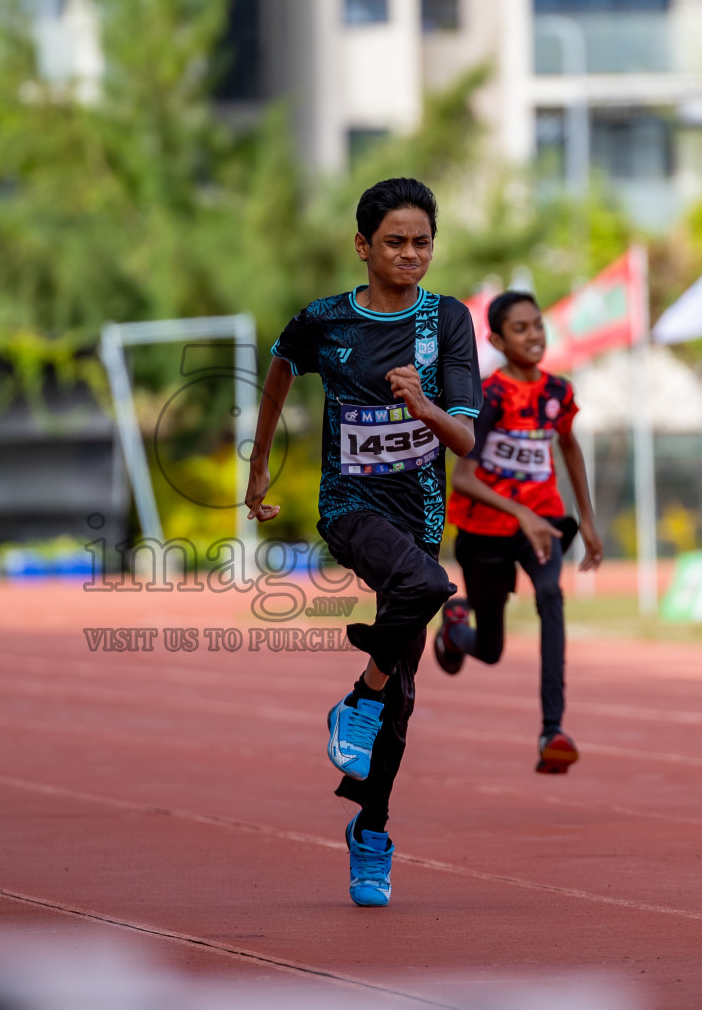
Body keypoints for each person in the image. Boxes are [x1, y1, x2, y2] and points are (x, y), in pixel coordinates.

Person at [246, 178, 480, 907]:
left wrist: (421, 403)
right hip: (349, 504)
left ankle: (370, 830)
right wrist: (258, 464)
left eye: (422, 242)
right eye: (395, 242)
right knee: (432, 589)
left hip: (420, 512)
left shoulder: (447, 321)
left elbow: (466, 438)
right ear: (363, 246)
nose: (411, 255)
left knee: (404, 696)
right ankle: (357, 699)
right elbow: (281, 365)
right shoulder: (326, 321)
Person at [434, 290, 603, 774]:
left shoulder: (558, 392)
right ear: (496, 339)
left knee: (552, 597)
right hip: (485, 529)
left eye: (538, 325)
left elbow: (568, 446)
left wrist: (586, 521)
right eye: (521, 329)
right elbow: (462, 478)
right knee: (490, 649)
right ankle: (454, 633)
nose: (534, 335)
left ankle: (553, 730)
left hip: (543, 522)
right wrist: (518, 512)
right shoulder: (487, 397)